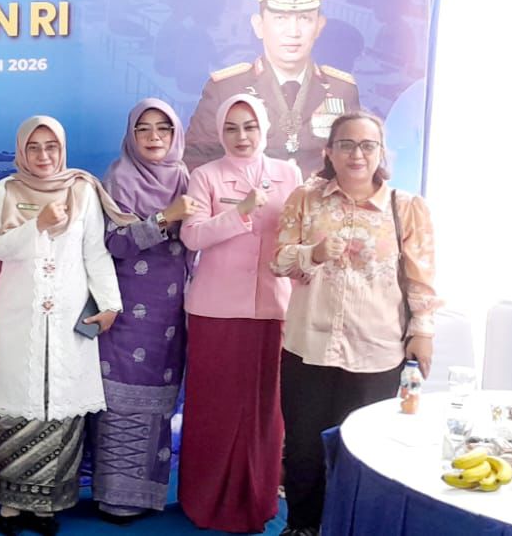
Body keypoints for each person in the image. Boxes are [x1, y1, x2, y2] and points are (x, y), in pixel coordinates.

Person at [272, 110, 439, 536]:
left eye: (367, 145)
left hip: (375, 348)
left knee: (362, 447)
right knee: (305, 446)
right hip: (308, 345)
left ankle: (350, 527)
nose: (357, 155)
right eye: (346, 145)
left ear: (381, 152)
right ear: (329, 152)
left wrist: (422, 332)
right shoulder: (305, 199)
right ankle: (303, 526)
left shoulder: (405, 207)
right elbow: (279, 261)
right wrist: (313, 253)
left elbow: (421, 278)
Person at [0, 116, 132, 534]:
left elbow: (95, 252)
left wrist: (110, 303)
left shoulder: (81, 189)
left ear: (62, 149)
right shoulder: (6, 189)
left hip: (68, 316)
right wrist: (38, 225)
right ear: (21, 151)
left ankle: (47, 506)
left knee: (61, 406)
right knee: (14, 407)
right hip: (18, 317)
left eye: (51, 147)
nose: (43, 155)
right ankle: (10, 505)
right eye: (34, 147)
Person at [177, 94, 301, 533]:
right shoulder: (205, 175)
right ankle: (204, 501)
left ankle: (257, 500)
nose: (242, 136)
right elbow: (192, 237)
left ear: (264, 129)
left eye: (250, 126)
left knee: (265, 412)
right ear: (220, 133)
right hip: (216, 311)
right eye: (231, 128)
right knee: (214, 409)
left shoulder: (289, 174)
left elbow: (297, 233)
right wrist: (241, 213)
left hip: (272, 308)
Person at [91, 99, 199, 521]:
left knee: (157, 402)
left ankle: (145, 495)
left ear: (175, 135)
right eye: (144, 128)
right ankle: (113, 497)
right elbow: (115, 243)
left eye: (163, 128)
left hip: (169, 312)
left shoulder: (186, 177)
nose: (154, 137)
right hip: (124, 308)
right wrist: (164, 218)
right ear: (131, 135)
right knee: (119, 400)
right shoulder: (119, 178)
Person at [183, 0, 360, 174]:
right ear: (259, 26)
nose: (293, 32)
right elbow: (195, 164)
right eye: (280, 18)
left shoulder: (342, 89)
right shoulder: (226, 89)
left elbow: (356, 165)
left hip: (320, 196)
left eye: (304, 18)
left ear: (319, 26)